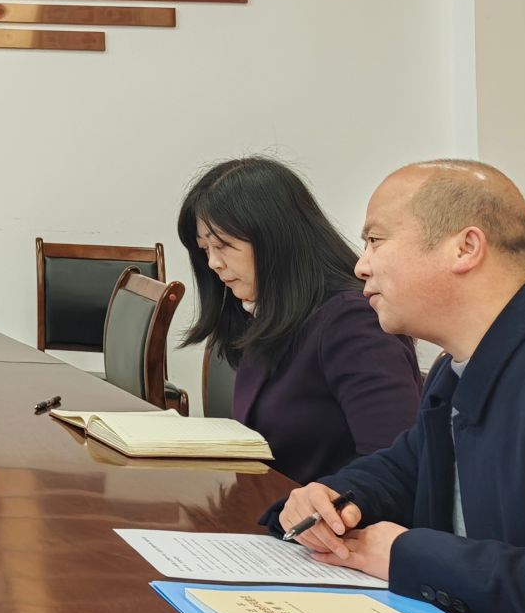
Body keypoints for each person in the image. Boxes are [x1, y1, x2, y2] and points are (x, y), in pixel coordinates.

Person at [279, 160, 525, 613]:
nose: (360, 266)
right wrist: (331, 499)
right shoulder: (460, 363)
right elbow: (406, 468)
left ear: (465, 248)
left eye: (375, 240)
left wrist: (407, 554)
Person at [176, 156, 420, 483]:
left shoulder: (353, 321)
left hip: (333, 512)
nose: (213, 263)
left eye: (223, 245)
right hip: (269, 502)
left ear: (275, 238)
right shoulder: (262, 312)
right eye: (205, 249)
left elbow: (392, 463)